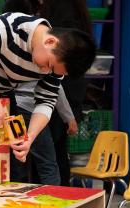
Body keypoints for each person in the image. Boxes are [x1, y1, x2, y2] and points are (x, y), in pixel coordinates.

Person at [0, 11, 96, 163]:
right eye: (49, 65)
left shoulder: (57, 63)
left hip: (3, 94)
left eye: (52, 71)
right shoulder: (13, 27)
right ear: (50, 42)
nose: (46, 72)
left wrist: (30, 137)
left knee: (14, 157)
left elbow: (46, 101)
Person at [1, 0, 75, 185]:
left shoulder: (9, 43)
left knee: (16, 164)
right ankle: (53, 207)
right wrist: (69, 117)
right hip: (31, 111)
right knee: (48, 163)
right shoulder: (41, 46)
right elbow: (55, 89)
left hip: (11, 111)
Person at [39, 0, 93, 186]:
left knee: (49, 153)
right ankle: (60, 196)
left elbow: (55, 82)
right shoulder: (75, 8)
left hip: (65, 88)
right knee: (56, 150)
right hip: (70, 87)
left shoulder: (63, 8)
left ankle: (54, 199)